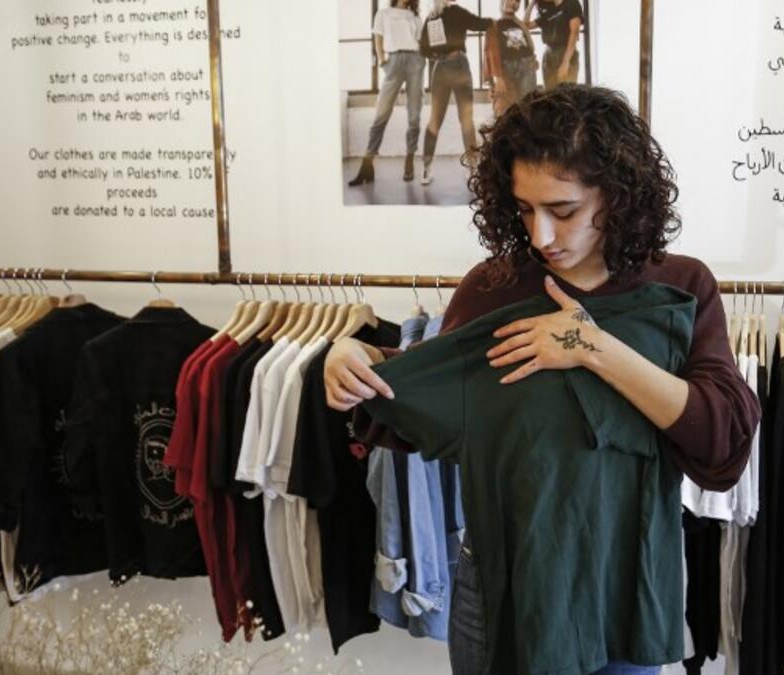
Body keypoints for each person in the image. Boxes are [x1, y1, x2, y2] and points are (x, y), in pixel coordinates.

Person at [324, 85, 761, 674]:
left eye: (563, 210)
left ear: (618, 192)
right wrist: (357, 365)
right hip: (507, 584)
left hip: (624, 584)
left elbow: (722, 443)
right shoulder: (493, 288)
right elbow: (430, 412)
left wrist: (593, 348)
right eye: (525, 209)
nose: (540, 236)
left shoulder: (678, 289)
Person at [417, 0, 493, 185]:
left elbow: (423, 48)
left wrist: (438, 55)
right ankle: (472, 169)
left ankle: (427, 169)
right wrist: (493, 21)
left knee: (437, 120)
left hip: (441, 67)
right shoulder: (455, 11)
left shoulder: (432, 17)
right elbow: (480, 23)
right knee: (464, 120)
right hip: (458, 65)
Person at [350, 0, 425, 186]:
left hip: (415, 61)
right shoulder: (383, 13)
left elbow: (421, 42)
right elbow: (378, 38)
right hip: (393, 61)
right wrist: (383, 61)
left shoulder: (415, 17)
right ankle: (367, 165)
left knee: (414, 117)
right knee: (381, 115)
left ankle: (409, 160)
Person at [491, 0, 538, 114]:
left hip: (527, 67)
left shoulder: (520, 24)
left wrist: (534, 58)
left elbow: (529, 44)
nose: (514, 3)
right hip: (506, 69)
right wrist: (498, 78)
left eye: (518, 1)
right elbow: (491, 55)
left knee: (528, 106)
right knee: (504, 109)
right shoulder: (495, 25)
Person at [526, 0, 584, 90]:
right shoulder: (548, 11)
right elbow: (525, 26)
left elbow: (574, 33)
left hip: (566, 52)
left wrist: (565, 62)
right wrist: (531, 4)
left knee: (567, 93)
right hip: (549, 54)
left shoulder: (571, 3)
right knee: (549, 95)